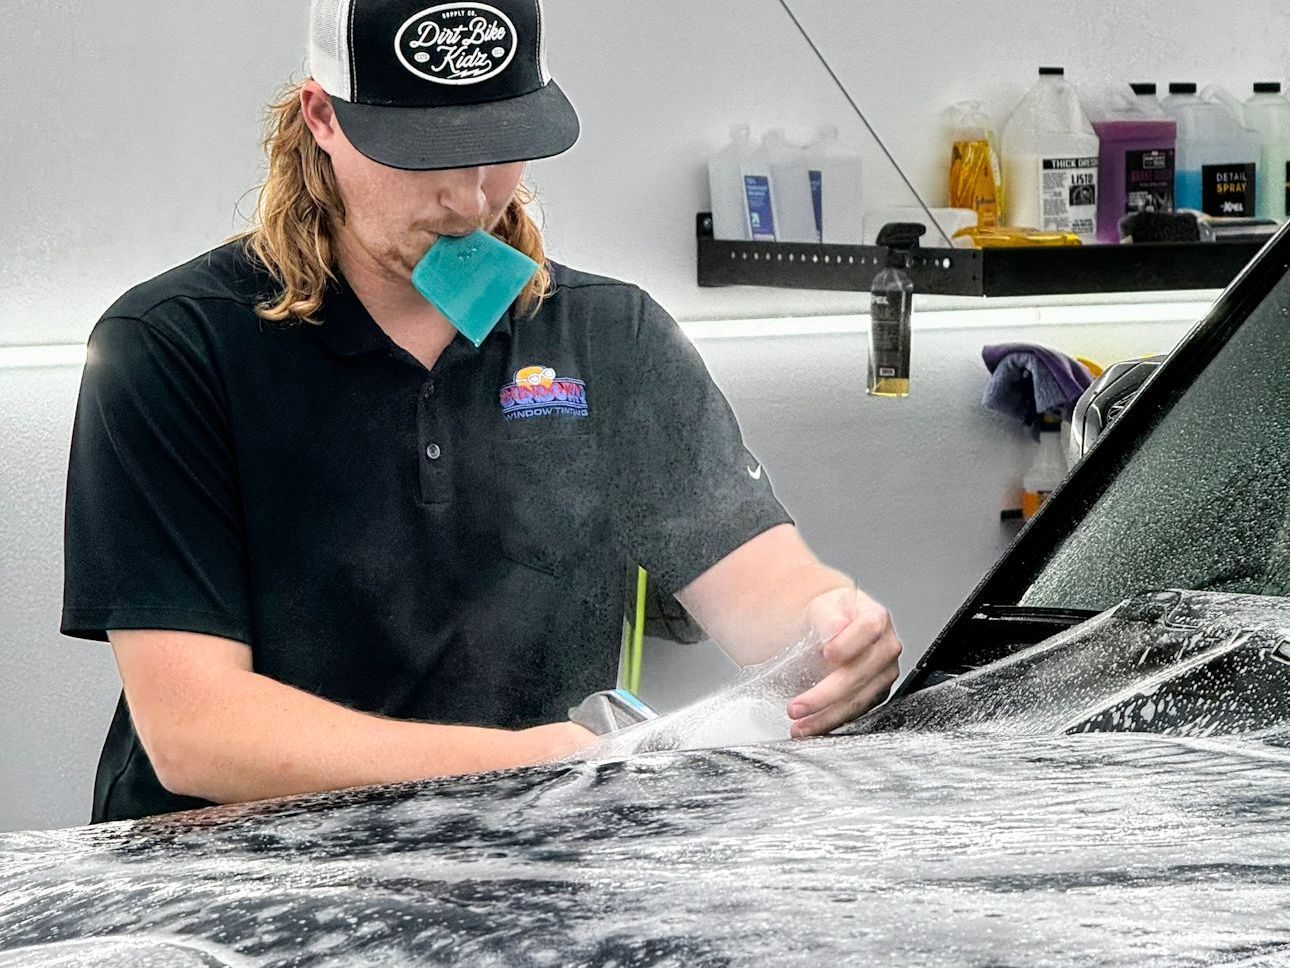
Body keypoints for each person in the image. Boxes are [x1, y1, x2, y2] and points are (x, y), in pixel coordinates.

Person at [61, 0, 902, 824]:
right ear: (322, 118)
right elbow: (196, 734)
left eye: (499, 150)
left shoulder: (609, 336)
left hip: (536, 862)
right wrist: (546, 760)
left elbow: (767, 593)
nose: (469, 201)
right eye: (426, 154)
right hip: (231, 884)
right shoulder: (171, 348)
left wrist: (829, 635)